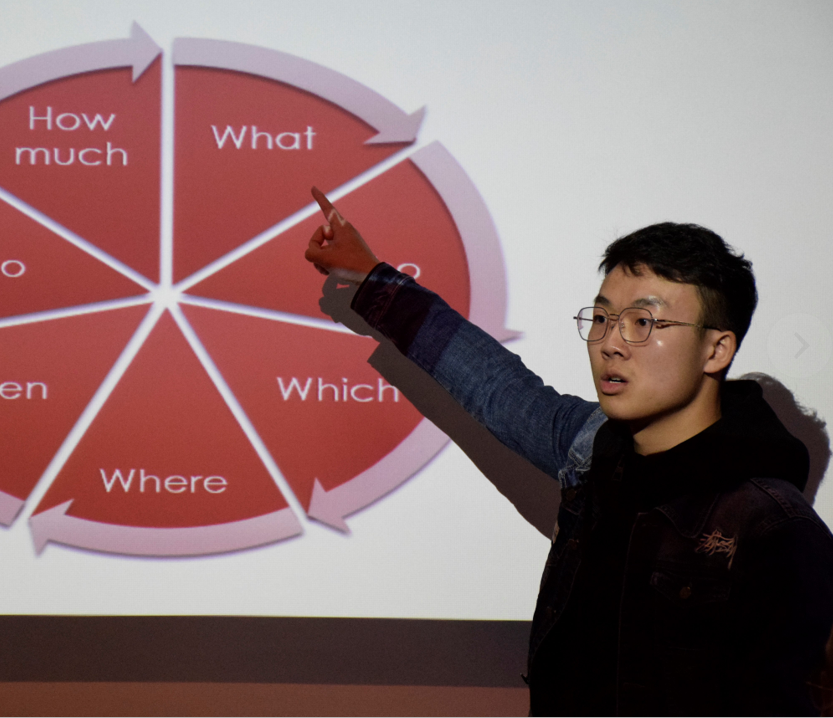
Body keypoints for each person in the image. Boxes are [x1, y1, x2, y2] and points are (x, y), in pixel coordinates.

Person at [304, 196, 833, 715]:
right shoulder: (593, 445)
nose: (611, 343)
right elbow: (495, 386)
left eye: (643, 323)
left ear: (717, 349)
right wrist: (371, 278)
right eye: (602, 317)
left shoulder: (773, 528)